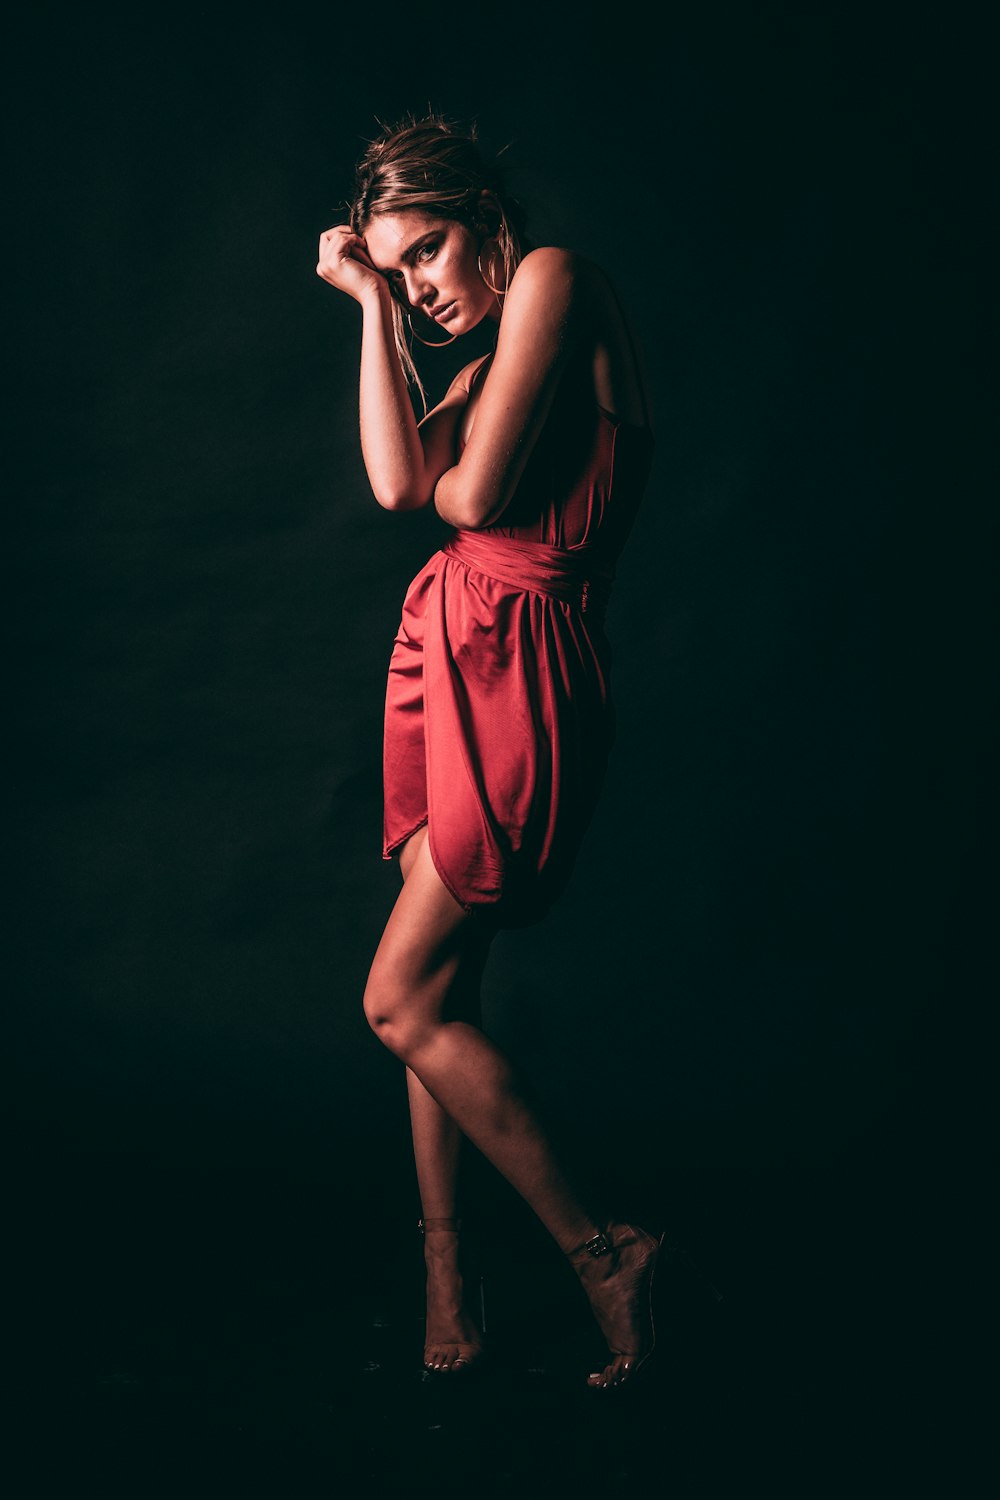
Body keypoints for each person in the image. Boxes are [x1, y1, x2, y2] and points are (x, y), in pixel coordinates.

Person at [317, 113, 665, 1389]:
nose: (422, 290)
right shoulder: (473, 356)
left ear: (486, 216)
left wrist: (405, 314)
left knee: (396, 999)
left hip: (523, 676)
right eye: (402, 271)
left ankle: (601, 1248)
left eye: (430, 253)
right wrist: (363, 303)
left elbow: (464, 501)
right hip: (445, 665)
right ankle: (448, 1270)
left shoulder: (559, 282)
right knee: (441, 1005)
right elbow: (400, 487)